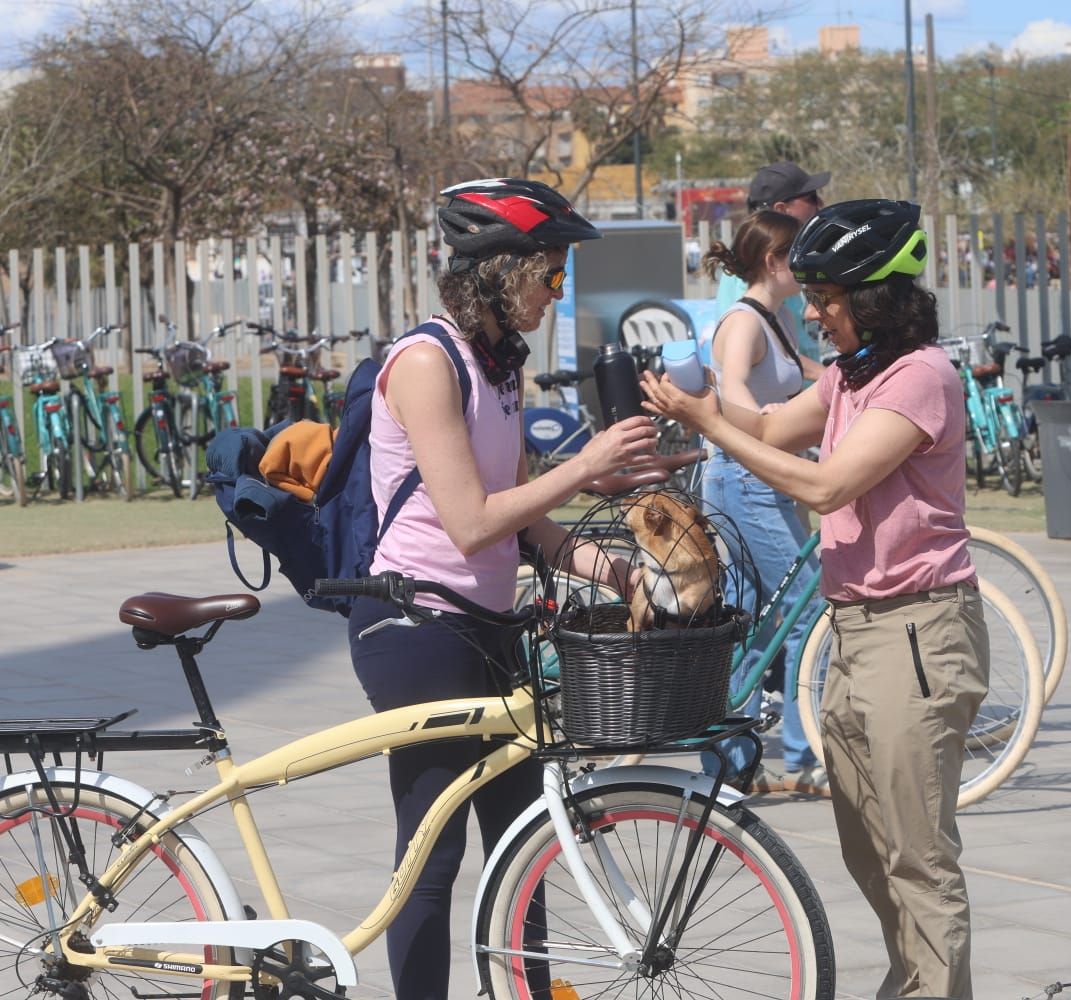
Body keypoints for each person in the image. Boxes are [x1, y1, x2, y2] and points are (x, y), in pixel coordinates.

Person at [643, 199, 990, 999]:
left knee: (918, 856)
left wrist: (711, 424)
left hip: (917, 634)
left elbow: (828, 483)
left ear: (874, 300)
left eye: (827, 299)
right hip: (859, 634)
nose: (811, 312)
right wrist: (682, 408)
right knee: (868, 846)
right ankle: (911, 983)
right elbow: (765, 428)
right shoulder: (848, 376)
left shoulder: (922, 377)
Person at [348, 177, 660, 999]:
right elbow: (472, 523)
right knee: (434, 850)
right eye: (549, 275)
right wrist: (586, 465)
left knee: (525, 845)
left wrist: (625, 573)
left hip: (488, 624)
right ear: (497, 269)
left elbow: (533, 531)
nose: (557, 294)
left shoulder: (501, 369)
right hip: (413, 628)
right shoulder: (426, 362)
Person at [698, 210, 827, 795]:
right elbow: (730, 393)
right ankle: (803, 757)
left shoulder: (778, 321)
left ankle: (730, 763)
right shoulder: (743, 321)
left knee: (750, 621)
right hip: (743, 477)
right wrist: (773, 422)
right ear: (774, 260)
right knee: (807, 608)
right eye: (797, 252)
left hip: (764, 477)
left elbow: (796, 388)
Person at [713, 161, 831, 380]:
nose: (821, 204)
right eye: (812, 197)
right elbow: (752, 361)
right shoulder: (753, 280)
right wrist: (830, 378)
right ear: (781, 209)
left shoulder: (780, 275)